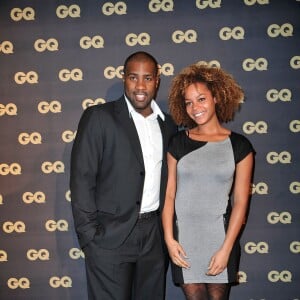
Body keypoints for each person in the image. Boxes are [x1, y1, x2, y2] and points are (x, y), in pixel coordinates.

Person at [70, 51, 177, 300]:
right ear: (124, 79)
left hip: (154, 237)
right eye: (133, 77)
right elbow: (82, 179)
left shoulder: (168, 125)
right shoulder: (99, 117)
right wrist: (90, 239)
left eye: (148, 78)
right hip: (109, 238)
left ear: (157, 81)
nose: (140, 86)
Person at [162, 63, 254, 300]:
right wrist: (169, 240)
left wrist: (226, 249)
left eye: (201, 98)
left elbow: (241, 203)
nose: (195, 107)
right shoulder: (178, 143)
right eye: (189, 102)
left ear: (216, 97)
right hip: (184, 241)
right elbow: (169, 195)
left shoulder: (239, 146)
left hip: (220, 239)